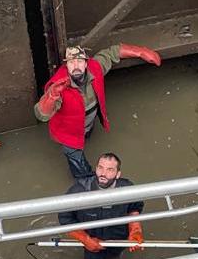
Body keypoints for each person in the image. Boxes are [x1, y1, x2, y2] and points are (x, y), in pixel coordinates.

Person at [34, 42, 161, 180]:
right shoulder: (58, 86)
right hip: (68, 134)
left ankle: (86, 136)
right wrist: (52, 96)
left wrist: (140, 52)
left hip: (87, 122)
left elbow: (112, 53)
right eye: (71, 62)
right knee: (79, 165)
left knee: (87, 135)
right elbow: (41, 115)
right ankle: (86, 181)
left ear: (86, 63)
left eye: (79, 61)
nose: (76, 66)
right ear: (66, 66)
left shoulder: (95, 68)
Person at [57, 152, 144, 259]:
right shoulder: (79, 191)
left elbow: (134, 208)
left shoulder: (127, 189)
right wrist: (85, 239)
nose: (103, 173)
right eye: (100, 168)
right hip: (92, 241)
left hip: (119, 238)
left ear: (118, 174)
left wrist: (135, 230)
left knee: (115, 256)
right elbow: (65, 218)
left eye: (110, 170)